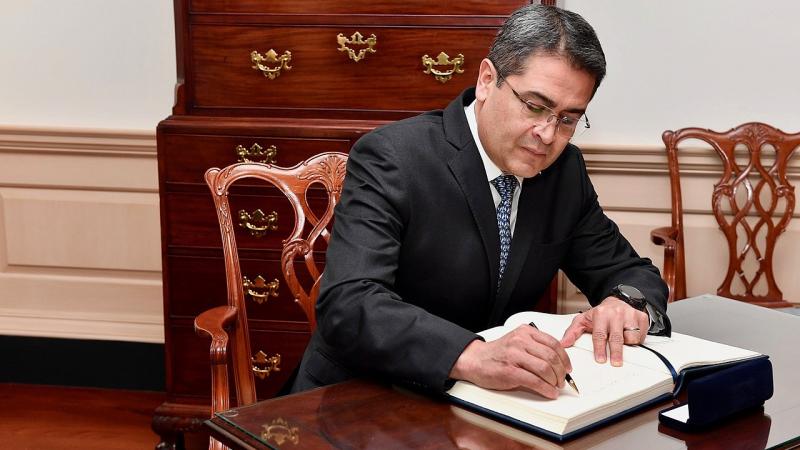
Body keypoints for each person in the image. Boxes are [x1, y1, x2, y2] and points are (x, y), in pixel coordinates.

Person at [290, 4, 670, 399]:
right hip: (362, 397)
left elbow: (629, 271)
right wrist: (472, 356)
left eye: (567, 119)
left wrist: (625, 303)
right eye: (535, 106)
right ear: (488, 80)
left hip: (484, 405)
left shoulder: (564, 172)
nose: (547, 134)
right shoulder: (394, 157)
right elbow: (349, 304)